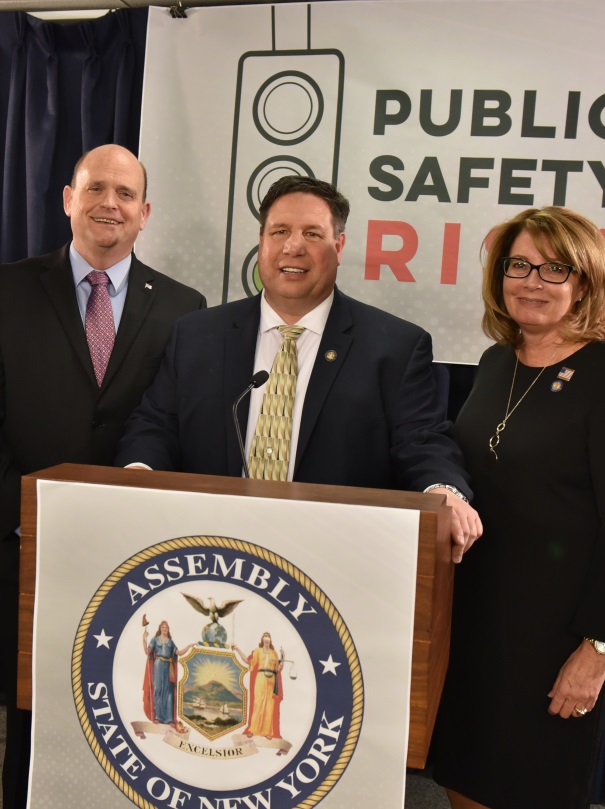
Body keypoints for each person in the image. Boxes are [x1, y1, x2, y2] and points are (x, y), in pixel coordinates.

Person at [116, 175, 482, 558]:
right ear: (261, 243)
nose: (293, 247)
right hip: (208, 549)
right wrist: (139, 471)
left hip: (333, 557)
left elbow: (422, 441)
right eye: (280, 232)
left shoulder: (394, 347)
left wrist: (444, 492)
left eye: (312, 234)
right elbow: (155, 425)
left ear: (338, 246)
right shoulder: (197, 334)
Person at [0, 144, 206, 807]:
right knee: (29, 720)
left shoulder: (184, 308)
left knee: (125, 723)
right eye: (94, 189)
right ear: (67, 199)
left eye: (124, 193)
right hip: (17, 546)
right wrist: (24, 509)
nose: (108, 203)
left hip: (132, 557)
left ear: (145, 213)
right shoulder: (5, 289)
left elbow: (179, 427)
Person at [431, 206, 605, 809]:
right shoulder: (497, 361)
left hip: (555, 640)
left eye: (555, 269)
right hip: (473, 624)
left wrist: (597, 651)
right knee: (462, 781)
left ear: (585, 281)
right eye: (519, 265)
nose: (533, 281)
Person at [233, 633, 284, 740]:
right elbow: (248, 661)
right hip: (260, 678)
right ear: (262, 640)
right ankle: (253, 730)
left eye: (268, 639)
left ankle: (267, 732)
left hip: (271, 679)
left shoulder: (274, 653)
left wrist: (283, 658)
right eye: (265, 639)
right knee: (258, 704)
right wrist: (237, 649)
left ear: (270, 641)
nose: (267, 641)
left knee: (269, 705)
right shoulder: (258, 651)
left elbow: (278, 669)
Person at [143, 621, 190, 730]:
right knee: (158, 690)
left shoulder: (171, 642)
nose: (165, 629)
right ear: (160, 628)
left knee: (169, 692)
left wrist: (189, 646)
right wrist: (144, 639)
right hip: (158, 665)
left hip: (169, 667)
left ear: (168, 629)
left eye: (166, 627)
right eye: (163, 627)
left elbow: (179, 653)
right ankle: (158, 717)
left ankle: (169, 719)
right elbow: (147, 651)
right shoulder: (155, 639)